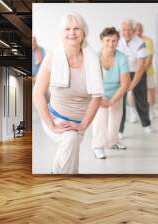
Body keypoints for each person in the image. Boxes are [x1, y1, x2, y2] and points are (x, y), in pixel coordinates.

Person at [33, 12, 103, 174]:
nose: (72, 32)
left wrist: (83, 124)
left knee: (70, 154)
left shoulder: (92, 61)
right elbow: (38, 94)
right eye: (67, 29)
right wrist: (51, 124)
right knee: (70, 139)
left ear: (84, 32)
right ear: (61, 33)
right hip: (55, 117)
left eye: (76, 28)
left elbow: (97, 97)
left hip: (80, 122)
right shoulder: (52, 58)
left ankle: (58, 176)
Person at [92, 27, 131, 159]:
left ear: (118, 41)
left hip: (117, 92)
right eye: (108, 40)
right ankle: (98, 146)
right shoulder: (94, 57)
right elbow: (91, 82)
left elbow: (125, 83)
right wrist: (101, 99)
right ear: (102, 41)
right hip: (98, 93)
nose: (111, 44)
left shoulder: (122, 58)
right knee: (100, 118)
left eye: (114, 40)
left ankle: (113, 142)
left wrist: (112, 100)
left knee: (115, 119)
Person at [117, 19, 153, 139]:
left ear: (133, 31)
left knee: (141, 100)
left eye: (129, 30)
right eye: (124, 30)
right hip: (122, 73)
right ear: (120, 31)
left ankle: (146, 124)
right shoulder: (117, 41)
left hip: (138, 73)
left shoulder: (140, 43)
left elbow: (141, 66)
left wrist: (131, 86)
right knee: (120, 102)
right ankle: (120, 130)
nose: (126, 32)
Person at [134, 22, 156, 120]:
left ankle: (151, 111)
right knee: (133, 94)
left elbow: (149, 59)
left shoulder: (148, 40)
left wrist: (141, 71)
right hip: (133, 73)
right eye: (136, 30)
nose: (138, 32)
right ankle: (133, 113)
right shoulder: (131, 41)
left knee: (150, 92)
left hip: (148, 72)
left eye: (140, 30)